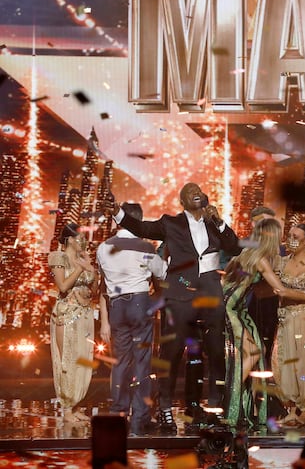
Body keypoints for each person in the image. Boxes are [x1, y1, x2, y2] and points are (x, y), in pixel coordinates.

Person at [108, 183, 241, 432]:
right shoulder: (171, 223)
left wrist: (220, 222)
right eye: (189, 191)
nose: (196, 192)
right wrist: (117, 212)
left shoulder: (214, 223)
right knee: (171, 354)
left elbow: (234, 246)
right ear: (182, 201)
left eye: (198, 189)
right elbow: (141, 227)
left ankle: (214, 409)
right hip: (180, 296)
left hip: (211, 295)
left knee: (215, 354)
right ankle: (166, 409)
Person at [222, 218, 303, 429]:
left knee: (259, 349)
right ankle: (230, 403)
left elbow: (257, 290)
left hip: (234, 307)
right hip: (231, 309)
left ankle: (244, 404)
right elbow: (280, 291)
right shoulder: (260, 259)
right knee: (252, 353)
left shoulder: (247, 254)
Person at [96, 203, 168, 436]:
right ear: (138, 221)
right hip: (139, 303)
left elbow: (103, 281)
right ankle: (139, 418)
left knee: (121, 361)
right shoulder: (144, 246)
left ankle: (119, 412)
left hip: (116, 305)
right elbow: (162, 273)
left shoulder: (102, 247)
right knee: (142, 362)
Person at [273, 223, 305, 427]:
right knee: (284, 362)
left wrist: (291, 294)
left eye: (296, 236)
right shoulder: (282, 262)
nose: (291, 239)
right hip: (286, 319)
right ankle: (291, 407)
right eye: (289, 235)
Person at [48, 223, 97, 424]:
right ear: (69, 239)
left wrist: (91, 268)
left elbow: (94, 289)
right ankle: (67, 408)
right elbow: (63, 286)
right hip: (67, 315)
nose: (82, 242)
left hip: (85, 315)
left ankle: (76, 405)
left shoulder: (82, 259)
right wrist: (80, 268)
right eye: (79, 238)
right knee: (67, 360)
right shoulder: (58, 257)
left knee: (83, 362)